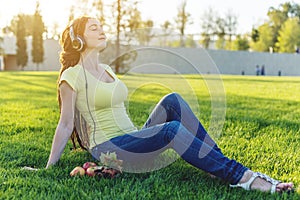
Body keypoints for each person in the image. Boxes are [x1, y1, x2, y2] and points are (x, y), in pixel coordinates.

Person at [46, 16, 293, 194]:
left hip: (132, 139)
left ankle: (215, 164)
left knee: (172, 100)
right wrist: (49, 168)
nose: (102, 31)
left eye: (102, 27)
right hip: (109, 148)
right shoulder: (72, 76)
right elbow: (66, 123)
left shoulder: (107, 69)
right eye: (93, 28)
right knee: (172, 129)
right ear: (78, 39)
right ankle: (241, 176)